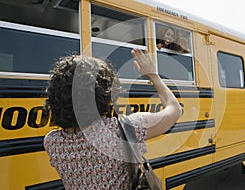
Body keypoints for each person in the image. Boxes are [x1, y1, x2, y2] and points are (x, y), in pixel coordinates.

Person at [43, 48, 182, 189]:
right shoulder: (122, 130)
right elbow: (175, 110)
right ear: (104, 94)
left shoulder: (52, 142)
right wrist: (153, 76)